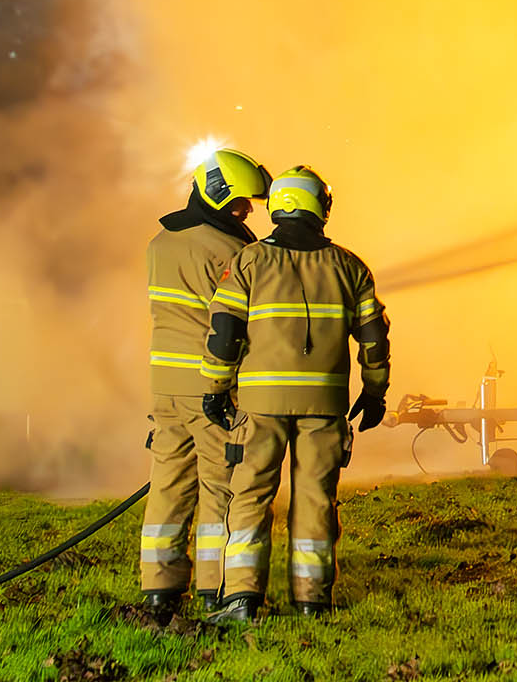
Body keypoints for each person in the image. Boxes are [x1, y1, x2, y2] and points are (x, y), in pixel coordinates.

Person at [201, 165, 390, 621]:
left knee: (250, 496)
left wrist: (216, 389)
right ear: (320, 207)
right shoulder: (350, 267)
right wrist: (374, 391)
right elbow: (374, 338)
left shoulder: (248, 262)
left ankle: (241, 598)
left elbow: (224, 333)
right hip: (324, 406)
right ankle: (312, 601)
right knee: (315, 499)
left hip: (260, 407)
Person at [139, 146, 273, 620]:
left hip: (165, 387)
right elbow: (241, 322)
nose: (248, 210)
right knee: (223, 486)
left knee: (168, 486)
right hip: (211, 386)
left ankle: (160, 587)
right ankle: (214, 589)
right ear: (217, 194)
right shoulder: (231, 251)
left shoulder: (160, 243)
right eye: (240, 202)